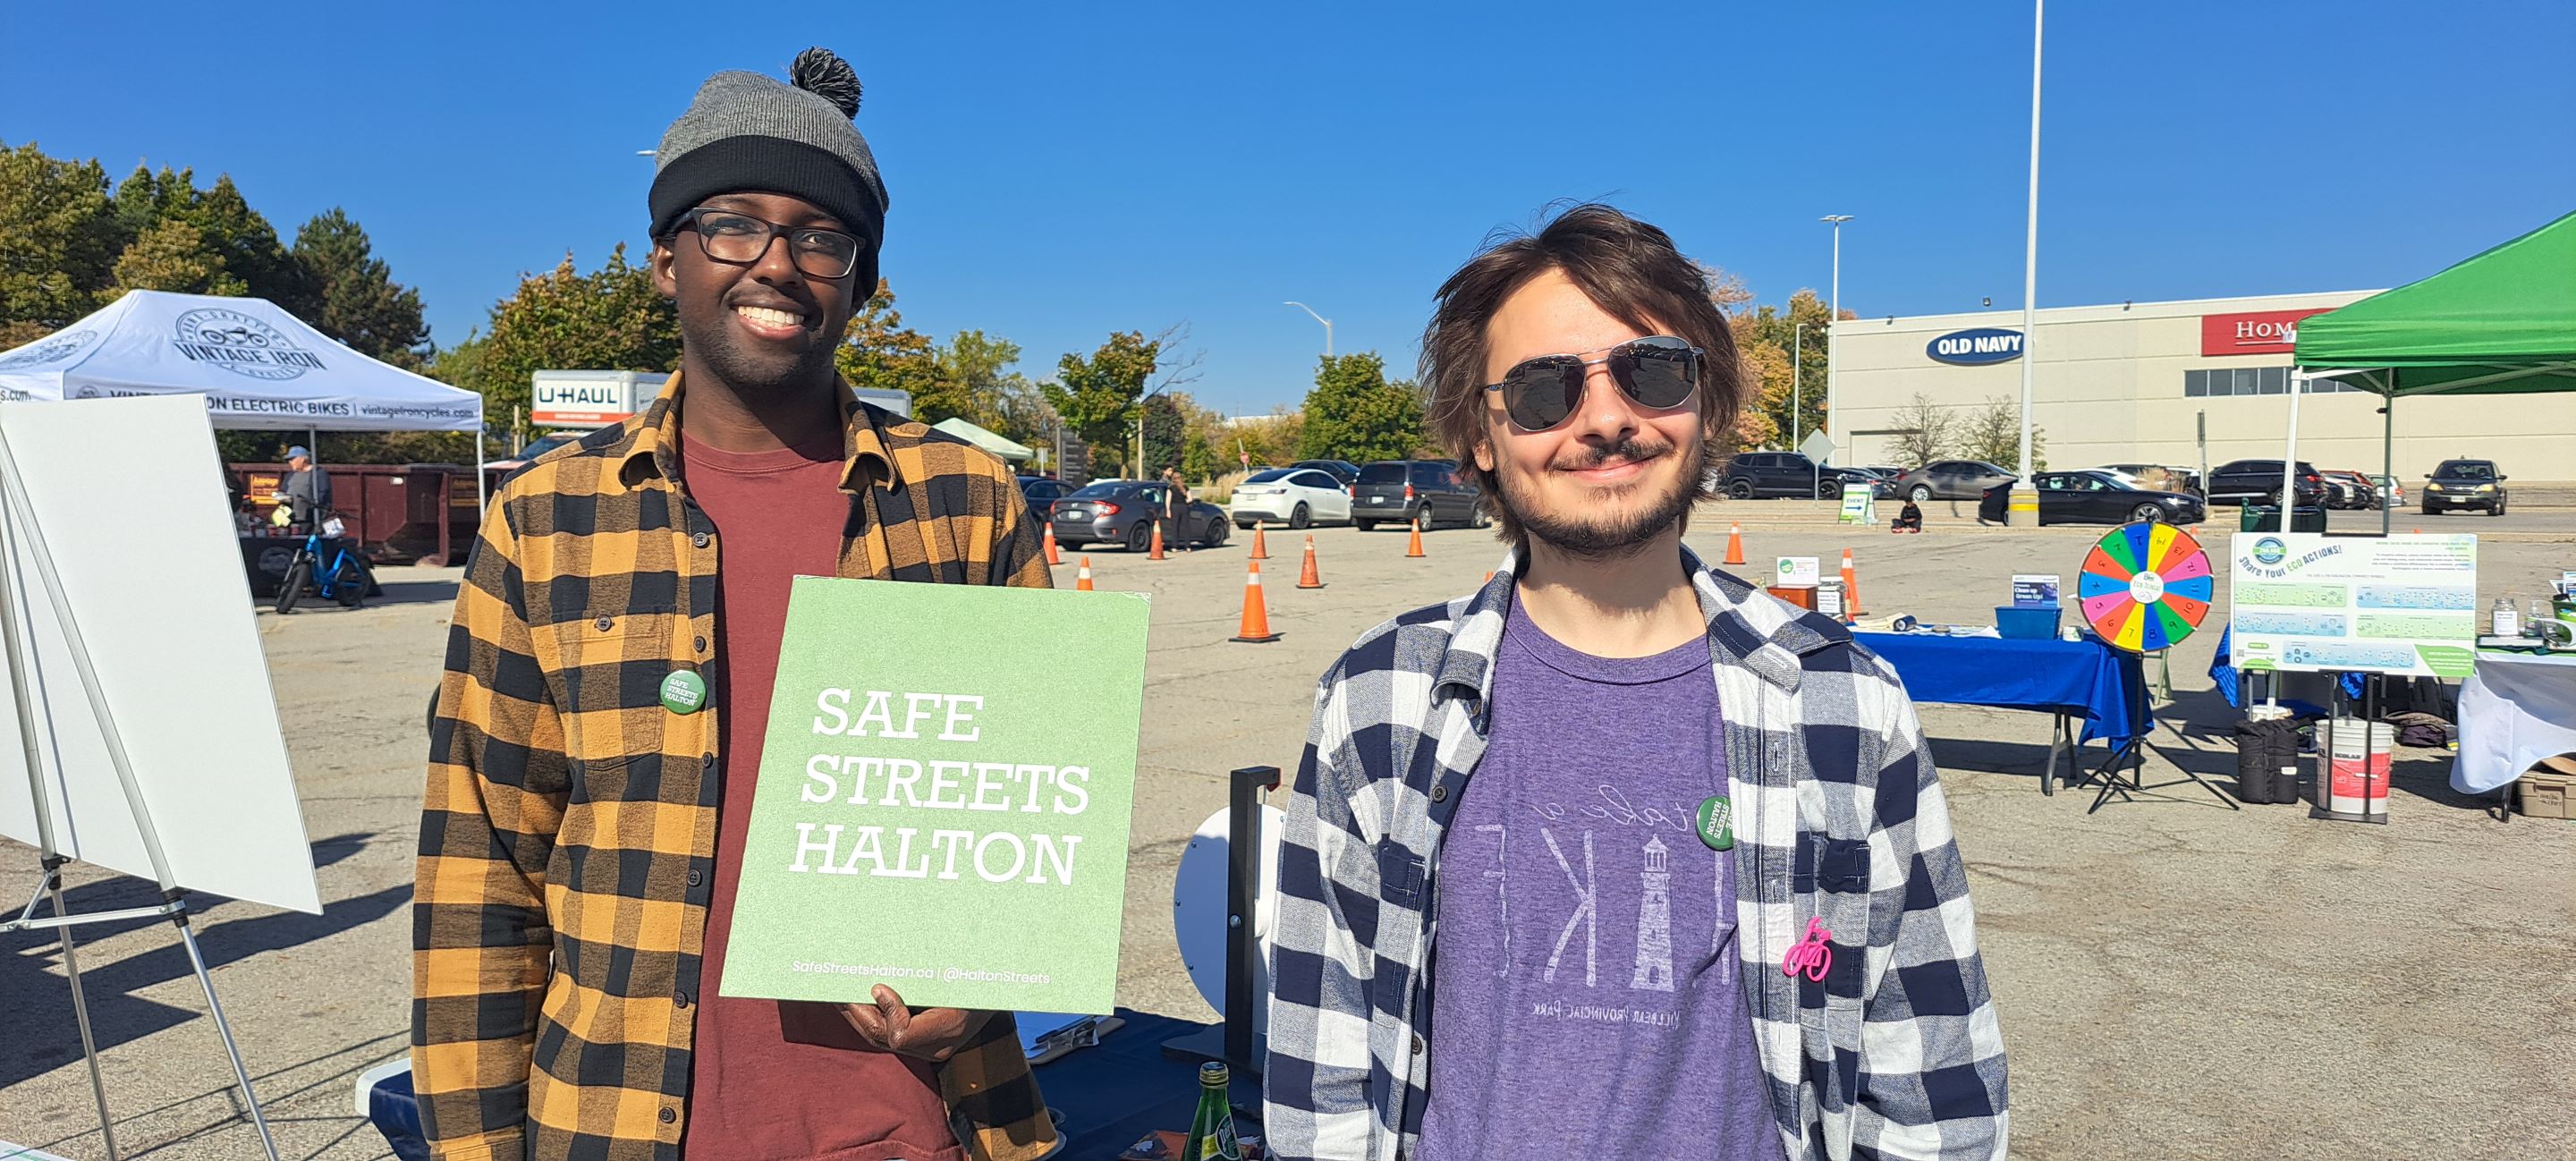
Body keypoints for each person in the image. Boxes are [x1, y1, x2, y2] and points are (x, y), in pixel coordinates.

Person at [412, 48, 1058, 1161]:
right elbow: (480, 868)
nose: (776, 262)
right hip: (617, 1126)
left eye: (820, 236)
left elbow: (1038, 809)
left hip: (908, 1125)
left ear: (859, 277)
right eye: (731, 224)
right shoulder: (548, 518)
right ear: (667, 258)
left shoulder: (965, 501)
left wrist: (988, 984)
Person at [1264, 206, 2008, 1161]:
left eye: (1653, 370)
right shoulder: (1381, 697)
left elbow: (1931, 1083)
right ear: (1482, 437)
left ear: (1708, 402)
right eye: (1544, 390)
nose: (1607, 418)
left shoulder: (1843, 701)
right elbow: (1322, 1068)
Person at [277, 445, 332, 528]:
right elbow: (283, 491)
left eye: (292, 459)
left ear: (303, 459)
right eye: (288, 460)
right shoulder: (289, 475)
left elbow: (323, 494)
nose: (290, 462)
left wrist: (312, 509)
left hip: (310, 521)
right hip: (289, 520)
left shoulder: (319, 474)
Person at [1159, 465, 1193, 552]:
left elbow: (1168, 500)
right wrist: (1185, 502)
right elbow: (1190, 499)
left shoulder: (1171, 488)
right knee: (1186, 527)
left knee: (1175, 527)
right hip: (1184, 507)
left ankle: (1174, 547)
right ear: (1181, 478)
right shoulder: (1185, 487)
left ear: (1173, 479)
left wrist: (1168, 510)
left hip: (1175, 507)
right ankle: (1188, 547)